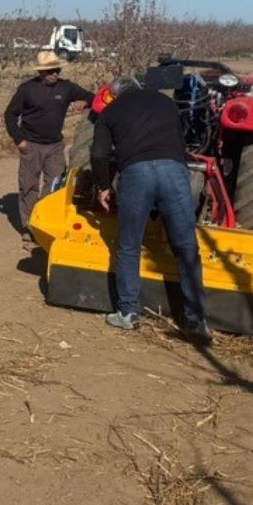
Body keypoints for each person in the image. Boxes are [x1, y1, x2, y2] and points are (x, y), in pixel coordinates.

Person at [89, 76, 209, 339]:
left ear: (116, 94)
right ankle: (196, 321)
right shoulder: (165, 102)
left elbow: (98, 155)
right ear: (139, 87)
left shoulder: (110, 112)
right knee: (186, 247)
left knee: (129, 245)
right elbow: (183, 138)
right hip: (175, 173)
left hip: (136, 174)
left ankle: (128, 313)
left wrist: (104, 187)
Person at [4, 51, 94, 244]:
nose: (54, 73)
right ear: (41, 72)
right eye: (50, 71)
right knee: (28, 185)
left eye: (57, 69)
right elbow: (10, 115)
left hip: (55, 146)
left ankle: (44, 221)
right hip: (31, 145)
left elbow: (92, 97)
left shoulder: (66, 87)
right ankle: (28, 227)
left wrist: (84, 101)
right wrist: (19, 140)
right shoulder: (27, 89)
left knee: (55, 185)